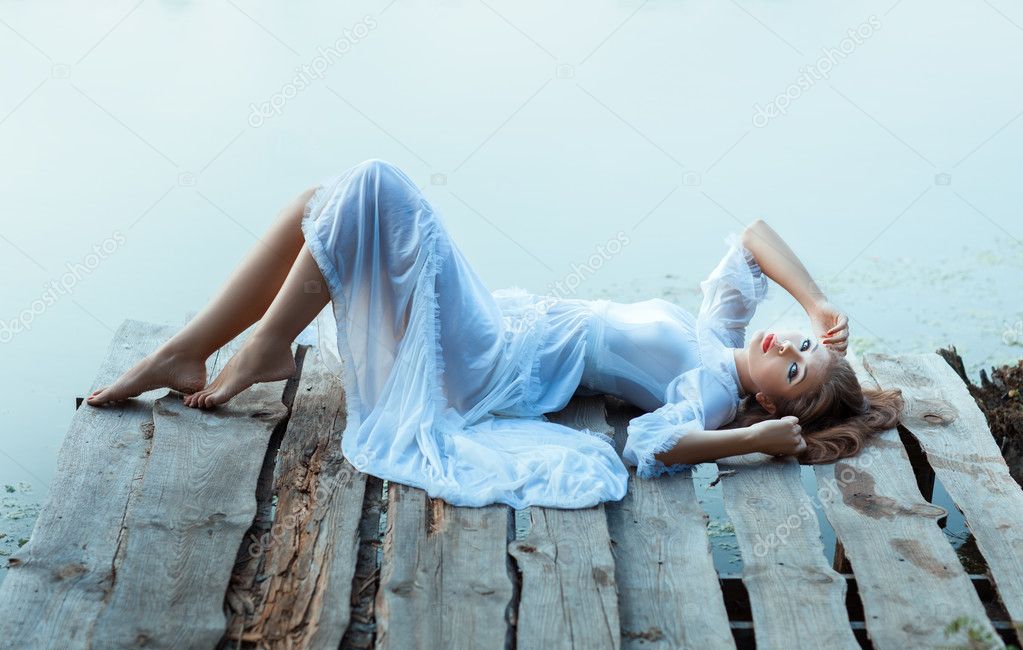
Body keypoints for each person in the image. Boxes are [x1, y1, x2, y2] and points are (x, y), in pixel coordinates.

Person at [86, 159, 902, 509]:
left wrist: (754, 439)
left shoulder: (711, 390)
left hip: (491, 364)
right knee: (325, 200)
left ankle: (262, 346)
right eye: (797, 344)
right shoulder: (718, 333)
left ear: (765, 397)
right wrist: (822, 309)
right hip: (505, 321)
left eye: (793, 371)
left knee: (370, 188)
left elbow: (652, 448)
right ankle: (188, 350)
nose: (786, 350)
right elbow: (752, 233)